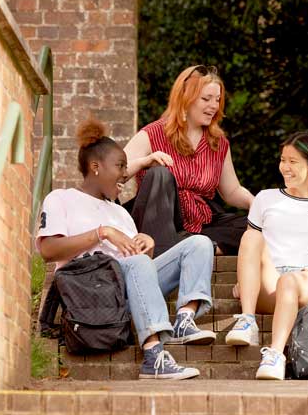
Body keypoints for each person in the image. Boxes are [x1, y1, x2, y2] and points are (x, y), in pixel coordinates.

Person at [36, 118, 215, 379]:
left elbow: (139, 271)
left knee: (199, 244)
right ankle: (153, 355)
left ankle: (185, 320)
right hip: (91, 292)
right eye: (120, 166)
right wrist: (102, 233)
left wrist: (148, 247)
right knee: (138, 263)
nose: (125, 173)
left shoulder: (120, 213)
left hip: (126, 293)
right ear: (95, 166)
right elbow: (49, 250)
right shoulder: (61, 198)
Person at [223, 130, 308, 380]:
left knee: (290, 281)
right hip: (271, 284)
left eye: (293, 161)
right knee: (250, 237)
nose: (285, 167)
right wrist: (246, 279)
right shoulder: (265, 199)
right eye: (283, 160)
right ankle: (247, 320)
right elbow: (253, 248)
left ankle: (275, 356)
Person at [123, 65, 255, 256]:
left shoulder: (219, 144)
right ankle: (175, 250)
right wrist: (145, 161)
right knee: (159, 174)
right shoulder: (153, 133)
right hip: (157, 223)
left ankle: (195, 245)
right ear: (185, 99)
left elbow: (232, 191)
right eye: (206, 99)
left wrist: (256, 203)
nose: (214, 106)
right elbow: (116, 173)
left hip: (200, 223)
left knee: (257, 229)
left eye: (217, 100)